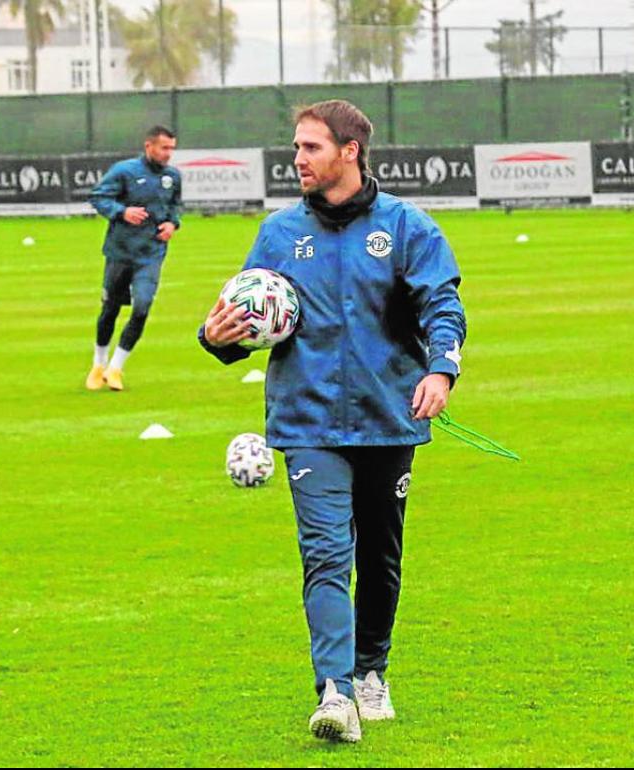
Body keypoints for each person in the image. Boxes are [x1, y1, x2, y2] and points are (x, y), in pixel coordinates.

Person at [199, 100, 467, 743]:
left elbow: (443, 304)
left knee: (379, 556)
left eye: (311, 148)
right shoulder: (278, 232)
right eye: (296, 148)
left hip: (386, 417)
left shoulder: (406, 227)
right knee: (324, 555)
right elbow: (248, 315)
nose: (298, 160)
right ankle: (335, 691)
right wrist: (215, 337)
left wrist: (441, 370)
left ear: (350, 151)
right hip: (308, 419)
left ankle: (372, 670)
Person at [85, 125, 182, 391]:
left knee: (142, 308)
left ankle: (116, 368)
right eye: (164, 148)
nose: (168, 154)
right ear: (148, 146)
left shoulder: (173, 176)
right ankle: (98, 365)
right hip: (120, 253)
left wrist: (173, 224)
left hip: (151, 254)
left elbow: (175, 206)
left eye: (172, 148)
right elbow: (98, 197)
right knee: (110, 310)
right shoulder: (124, 171)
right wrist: (122, 211)